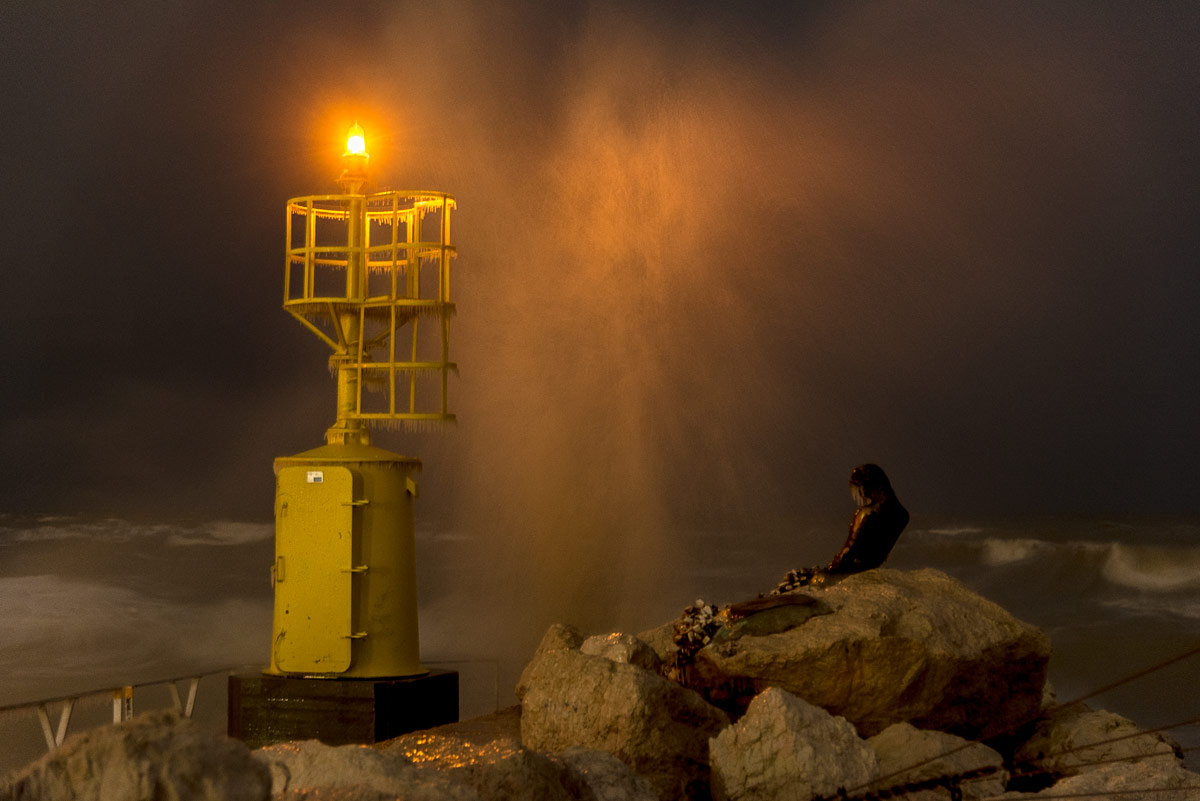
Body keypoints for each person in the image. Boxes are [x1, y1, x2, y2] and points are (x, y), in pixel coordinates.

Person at [773, 463, 909, 593]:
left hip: (847, 572)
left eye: (861, 489)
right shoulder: (902, 515)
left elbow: (848, 551)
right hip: (872, 568)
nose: (862, 494)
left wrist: (830, 569)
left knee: (793, 577)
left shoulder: (866, 513)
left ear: (868, 487)